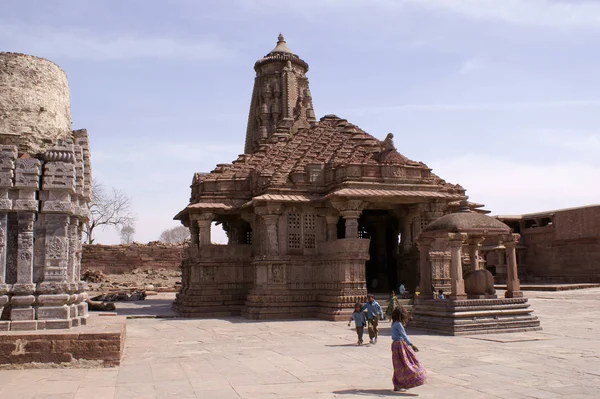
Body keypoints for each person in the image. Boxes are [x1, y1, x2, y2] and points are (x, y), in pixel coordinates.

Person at [390, 307, 427, 391]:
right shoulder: (398, 324)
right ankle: (417, 378)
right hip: (400, 345)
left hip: (395, 345)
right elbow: (404, 335)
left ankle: (397, 384)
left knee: (398, 365)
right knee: (409, 363)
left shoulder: (394, 323)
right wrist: (411, 344)